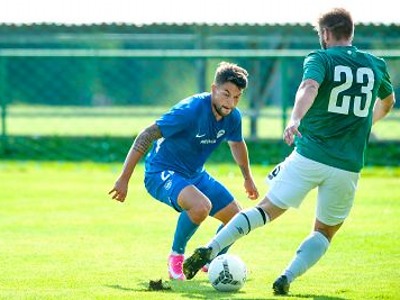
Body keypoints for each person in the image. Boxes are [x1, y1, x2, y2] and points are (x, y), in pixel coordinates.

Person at [183, 7, 396, 295]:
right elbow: (388, 101)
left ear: (325, 33)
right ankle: (286, 277)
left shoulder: (320, 58)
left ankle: (211, 247)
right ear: (350, 32)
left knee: (265, 210)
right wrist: (365, 122)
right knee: (324, 232)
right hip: (347, 166)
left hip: (309, 155)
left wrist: (294, 119)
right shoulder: (376, 64)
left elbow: (309, 86)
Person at [109, 61, 259, 280]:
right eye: (226, 94)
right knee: (201, 206)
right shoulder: (189, 110)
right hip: (161, 172)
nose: (230, 103)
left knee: (238, 219)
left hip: (194, 173)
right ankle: (176, 258)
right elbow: (146, 134)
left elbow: (237, 144)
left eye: (236, 97)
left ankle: (209, 259)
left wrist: (248, 178)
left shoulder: (233, 117)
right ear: (213, 89)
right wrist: (124, 179)